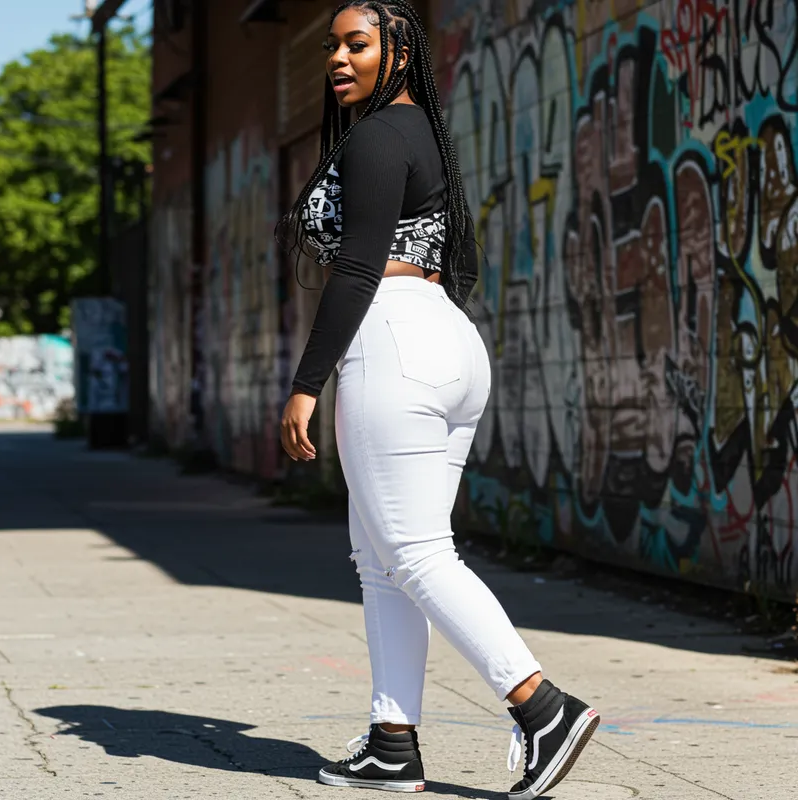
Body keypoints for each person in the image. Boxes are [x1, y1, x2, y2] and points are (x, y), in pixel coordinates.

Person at [275, 2, 599, 796]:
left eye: (359, 44)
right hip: (442, 340)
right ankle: (393, 742)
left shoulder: (380, 135)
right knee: (384, 559)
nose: (339, 59)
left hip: (391, 342)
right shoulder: (419, 131)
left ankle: (541, 706)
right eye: (333, 46)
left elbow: (355, 271)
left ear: (400, 49)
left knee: (414, 553)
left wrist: (304, 384)